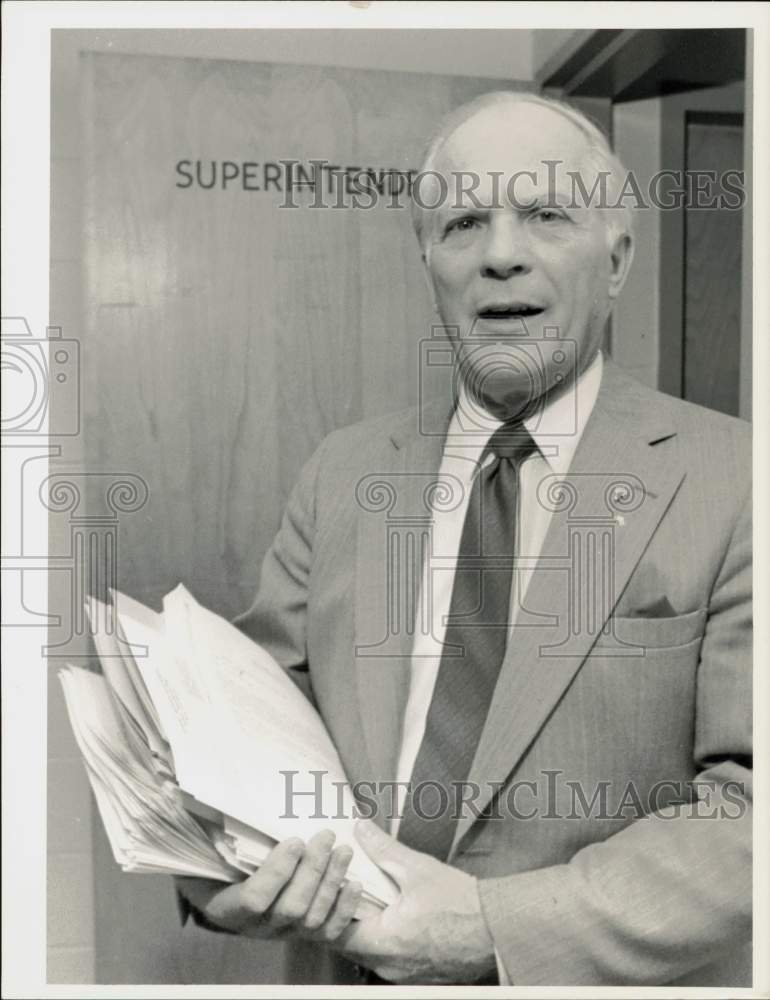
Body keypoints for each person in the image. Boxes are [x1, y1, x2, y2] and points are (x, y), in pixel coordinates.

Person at [175, 91, 752, 986]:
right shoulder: (342, 472)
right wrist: (216, 865)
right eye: (463, 223)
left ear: (617, 259)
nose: (501, 255)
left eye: (546, 215)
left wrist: (491, 929)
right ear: (429, 261)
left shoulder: (740, 478)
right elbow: (250, 717)